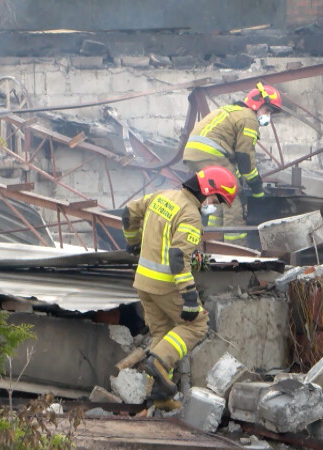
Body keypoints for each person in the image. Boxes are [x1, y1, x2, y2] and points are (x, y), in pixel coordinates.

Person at [121, 166, 238, 410]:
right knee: (197, 325)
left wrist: (133, 242)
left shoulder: (162, 196)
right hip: (166, 285)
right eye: (217, 200)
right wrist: (189, 296)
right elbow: (177, 257)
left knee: (163, 334)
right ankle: (158, 363)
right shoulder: (190, 214)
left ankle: (159, 398)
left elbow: (128, 212)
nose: (214, 206)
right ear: (207, 190)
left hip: (143, 282)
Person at [182, 82, 281, 244]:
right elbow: (245, 158)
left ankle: (213, 244)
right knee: (233, 198)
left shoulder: (233, 111)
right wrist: (257, 188)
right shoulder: (249, 119)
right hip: (210, 153)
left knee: (219, 198)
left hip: (194, 153)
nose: (268, 117)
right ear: (256, 104)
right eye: (267, 110)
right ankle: (236, 249)